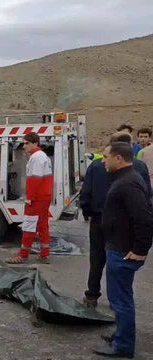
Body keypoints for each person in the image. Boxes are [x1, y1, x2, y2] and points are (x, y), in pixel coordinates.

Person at [91, 141, 153, 359]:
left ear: (118, 158)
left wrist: (140, 249)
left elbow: (144, 218)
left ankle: (123, 346)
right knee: (119, 297)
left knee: (121, 299)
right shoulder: (125, 178)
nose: (102, 160)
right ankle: (120, 335)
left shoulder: (128, 183)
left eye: (106, 156)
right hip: (117, 247)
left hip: (123, 251)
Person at [80, 133, 151, 309]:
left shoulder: (96, 166)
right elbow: (147, 195)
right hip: (125, 224)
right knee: (122, 260)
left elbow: (85, 193)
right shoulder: (139, 167)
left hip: (99, 219)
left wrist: (88, 212)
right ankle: (117, 299)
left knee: (97, 259)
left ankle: (92, 295)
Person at [6, 132, 52, 264]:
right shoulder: (42, 156)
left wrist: (29, 197)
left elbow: (35, 179)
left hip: (37, 198)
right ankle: (44, 254)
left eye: (26, 143)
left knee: (28, 225)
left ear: (35, 143)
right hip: (44, 197)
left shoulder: (36, 157)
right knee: (43, 225)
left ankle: (23, 255)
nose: (24, 146)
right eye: (23, 143)